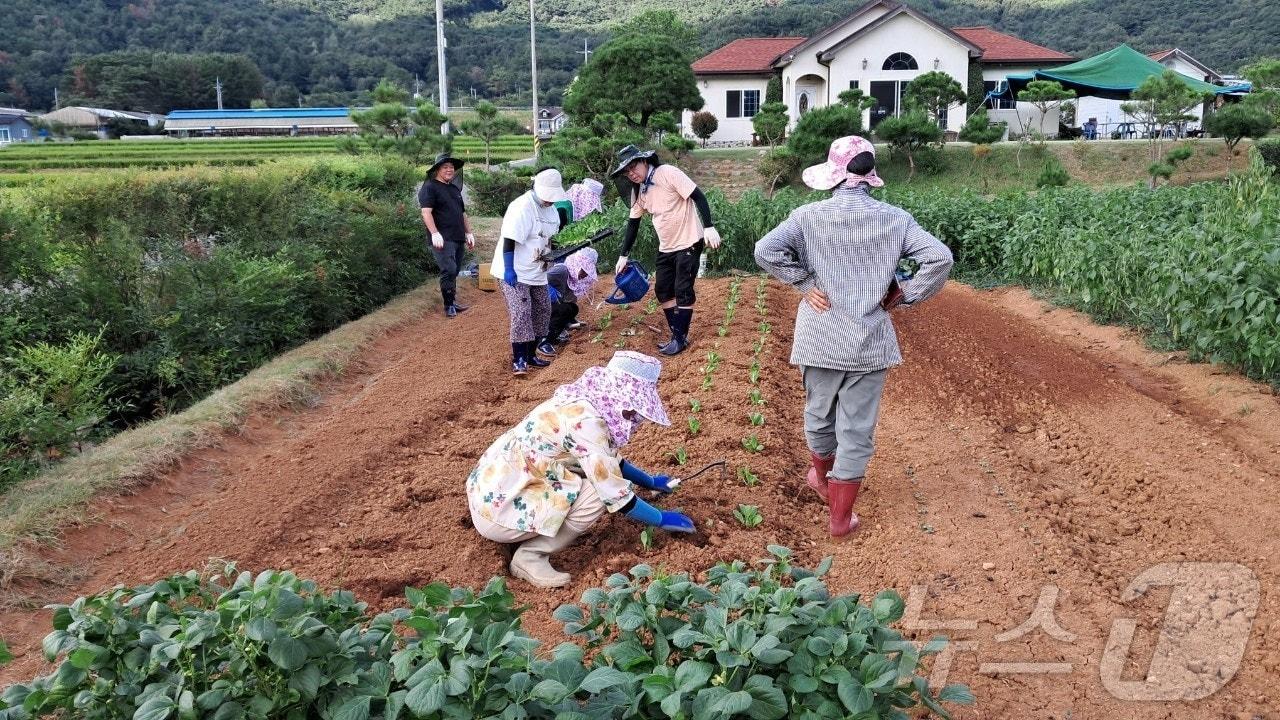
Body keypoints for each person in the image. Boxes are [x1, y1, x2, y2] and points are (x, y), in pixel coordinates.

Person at [754, 136, 953, 538]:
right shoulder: (895, 220)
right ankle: (840, 519)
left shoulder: (808, 216)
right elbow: (941, 258)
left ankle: (823, 479)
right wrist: (904, 294)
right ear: (869, 175)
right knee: (856, 429)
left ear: (835, 174)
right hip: (868, 341)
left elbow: (765, 250)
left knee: (818, 412)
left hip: (820, 334)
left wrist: (804, 281)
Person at [466, 351, 695, 587]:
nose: (635, 417)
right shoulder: (588, 426)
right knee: (596, 495)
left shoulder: (583, 401)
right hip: (498, 516)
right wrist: (660, 518)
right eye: (634, 409)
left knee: (585, 475)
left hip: (491, 493)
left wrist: (650, 481)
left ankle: (527, 529)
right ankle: (530, 555)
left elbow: (608, 460)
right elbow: (616, 496)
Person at [611, 145, 722, 356]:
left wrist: (709, 226)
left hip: (689, 241)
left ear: (645, 161)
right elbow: (633, 224)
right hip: (667, 246)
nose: (631, 173)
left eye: (633, 167)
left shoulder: (668, 173)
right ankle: (677, 334)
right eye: (627, 172)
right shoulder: (641, 189)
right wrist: (623, 255)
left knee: (683, 290)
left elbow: (699, 197)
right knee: (663, 290)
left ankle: (679, 338)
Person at [491, 168, 570, 375]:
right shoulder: (522, 207)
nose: (550, 201)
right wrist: (509, 269)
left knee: (543, 310)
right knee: (521, 313)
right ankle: (519, 359)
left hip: (538, 270)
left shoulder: (552, 211)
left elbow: (549, 239)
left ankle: (532, 354)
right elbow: (509, 240)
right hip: (515, 270)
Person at [418, 153, 476, 318]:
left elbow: (462, 213)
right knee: (448, 269)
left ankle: (452, 301)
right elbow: (426, 212)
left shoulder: (454, 189)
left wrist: (469, 232)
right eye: (445, 167)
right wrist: (434, 233)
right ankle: (448, 305)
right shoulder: (430, 187)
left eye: (451, 167)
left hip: (458, 237)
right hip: (442, 238)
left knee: (455, 269)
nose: (450, 170)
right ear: (437, 169)